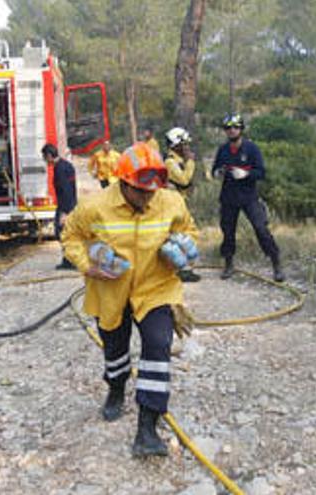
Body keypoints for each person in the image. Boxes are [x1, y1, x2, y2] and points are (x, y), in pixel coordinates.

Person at [61, 142, 199, 457]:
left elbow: (189, 230)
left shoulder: (171, 201)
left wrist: (184, 247)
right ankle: (116, 388)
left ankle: (147, 427)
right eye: (140, 191)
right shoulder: (95, 207)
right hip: (110, 290)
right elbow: (70, 236)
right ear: (123, 182)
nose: (148, 197)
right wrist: (87, 265)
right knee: (115, 347)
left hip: (156, 287)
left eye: (153, 191)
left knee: (157, 345)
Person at [211, 113, 285, 282]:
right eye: (228, 128)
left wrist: (246, 173)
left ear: (241, 129)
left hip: (249, 196)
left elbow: (261, 172)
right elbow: (214, 169)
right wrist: (218, 172)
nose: (231, 131)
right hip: (228, 196)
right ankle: (229, 264)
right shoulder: (222, 150)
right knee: (228, 232)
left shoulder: (251, 148)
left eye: (235, 127)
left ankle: (276, 264)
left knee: (261, 229)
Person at [164, 126, 200, 283]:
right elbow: (184, 180)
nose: (186, 147)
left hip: (179, 202)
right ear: (175, 145)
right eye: (184, 144)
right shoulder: (170, 163)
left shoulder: (178, 161)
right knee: (184, 235)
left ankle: (183, 268)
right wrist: (191, 161)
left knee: (181, 235)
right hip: (174, 204)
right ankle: (183, 270)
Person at [42, 143, 77, 270]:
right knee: (66, 233)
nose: (45, 161)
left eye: (45, 158)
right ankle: (69, 260)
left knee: (62, 233)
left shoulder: (60, 169)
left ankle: (71, 261)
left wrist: (65, 212)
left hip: (66, 206)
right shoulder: (66, 165)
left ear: (49, 156)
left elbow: (66, 190)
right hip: (71, 204)